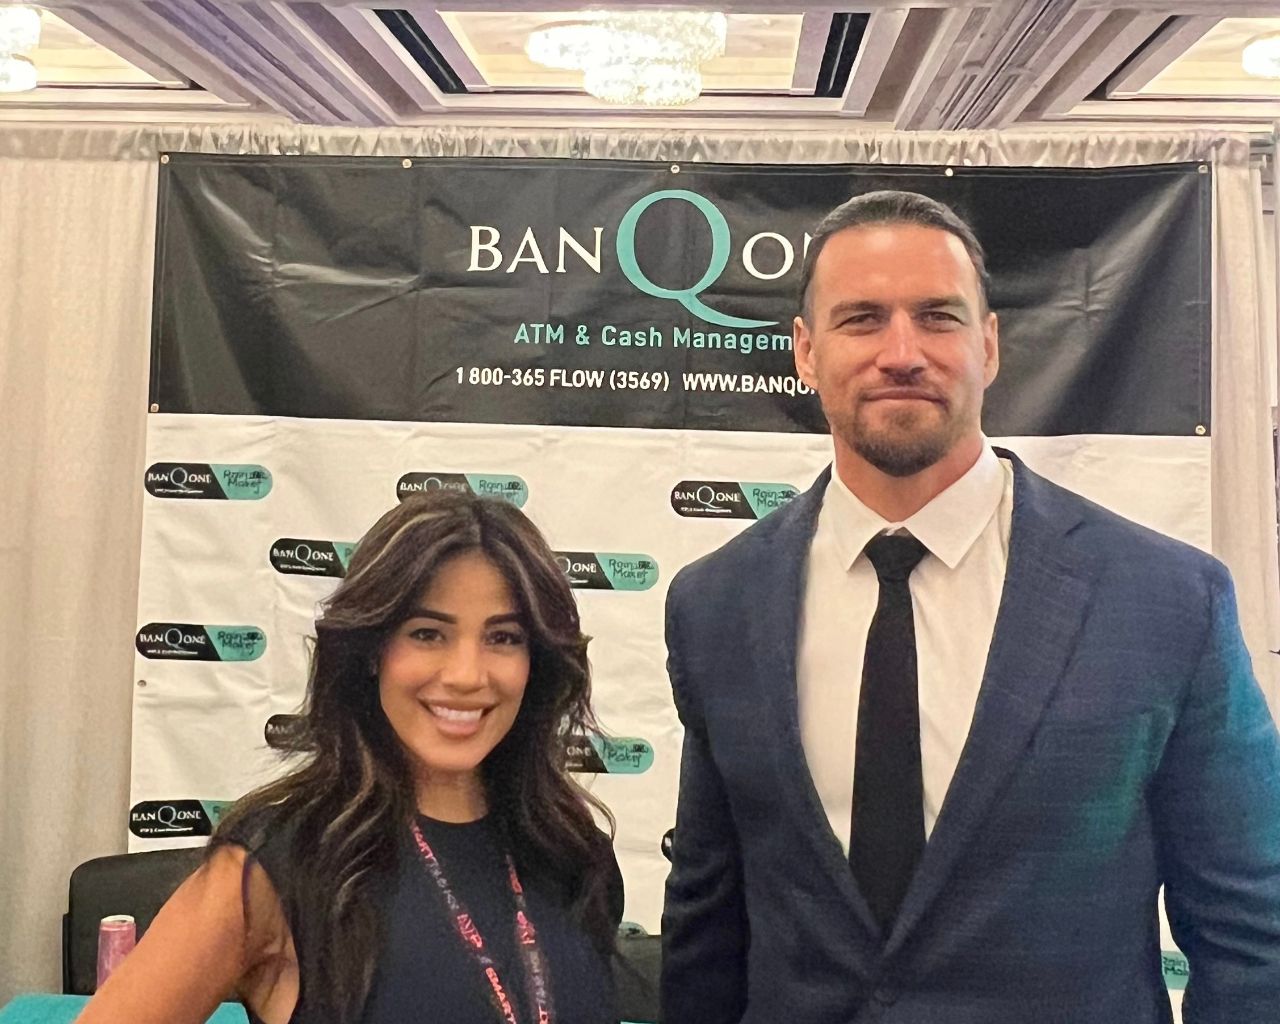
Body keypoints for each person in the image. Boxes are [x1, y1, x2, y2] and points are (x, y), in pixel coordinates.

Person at [660, 189, 1280, 1023]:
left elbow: (1252, 930)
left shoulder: (1166, 601)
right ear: (805, 353)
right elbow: (707, 922)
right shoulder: (716, 604)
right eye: (862, 319)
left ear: (988, 345)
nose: (902, 352)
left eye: (939, 316)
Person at [80, 492, 623, 1024]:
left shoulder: (574, 855)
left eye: (503, 637)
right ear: (371, 651)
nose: (466, 675)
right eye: (427, 633)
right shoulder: (278, 868)